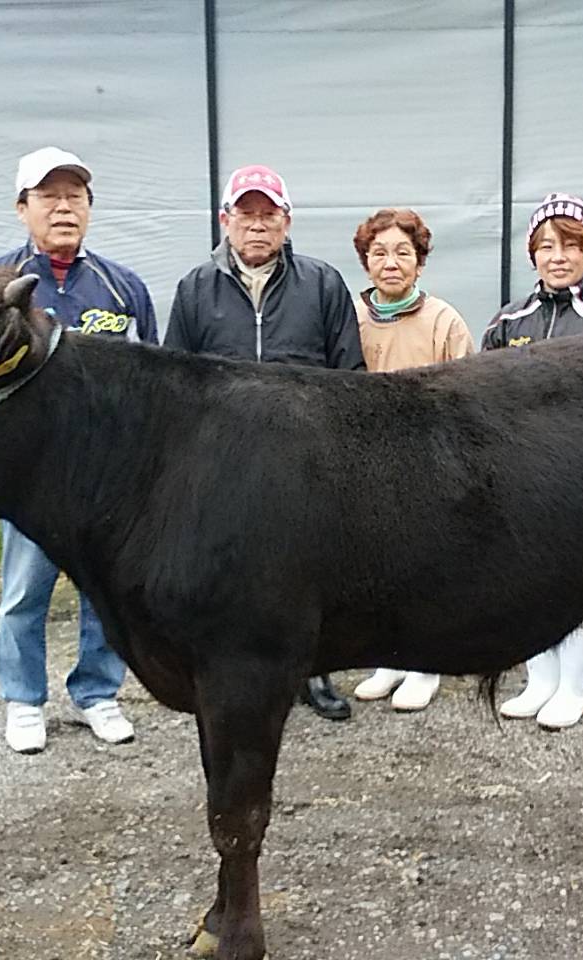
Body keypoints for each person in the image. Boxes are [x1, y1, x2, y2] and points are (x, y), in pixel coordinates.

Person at [163, 163, 364, 721]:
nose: (257, 226)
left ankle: (314, 673)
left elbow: (351, 376)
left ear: (287, 221)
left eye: (268, 214)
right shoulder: (195, 289)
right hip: (221, 465)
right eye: (246, 214)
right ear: (225, 220)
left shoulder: (322, 284)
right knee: (227, 575)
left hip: (307, 465)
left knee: (309, 576)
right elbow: (174, 383)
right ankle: (227, 673)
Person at [0, 147, 157, 753]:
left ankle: (97, 693)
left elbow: (148, 380)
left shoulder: (121, 287)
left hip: (105, 481)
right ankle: (23, 701)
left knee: (102, 593)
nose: (63, 207)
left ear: (89, 207)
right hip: (26, 481)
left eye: (74, 196)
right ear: (22, 207)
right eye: (48, 197)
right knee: (23, 594)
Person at [483, 193, 583, 731]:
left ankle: (575, 687)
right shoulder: (508, 320)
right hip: (521, 477)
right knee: (528, 582)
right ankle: (538, 680)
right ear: (532, 255)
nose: (558, 257)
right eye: (546, 246)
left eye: (571, 245)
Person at [346, 208, 476, 712]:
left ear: (420, 262)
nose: (391, 263)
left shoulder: (444, 320)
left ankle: (425, 664)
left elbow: (468, 398)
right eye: (379, 254)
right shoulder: (351, 316)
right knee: (374, 567)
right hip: (362, 462)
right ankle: (388, 660)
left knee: (427, 568)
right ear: (366, 262)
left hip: (427, 462)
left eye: (403, 253)